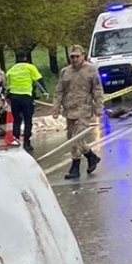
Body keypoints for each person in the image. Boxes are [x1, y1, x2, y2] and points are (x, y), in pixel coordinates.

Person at [52, 45, 104, 180]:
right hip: (69, 110)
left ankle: (75, 167)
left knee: (77, 138)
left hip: (84, 110)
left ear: (83, 56)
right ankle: (92, 157)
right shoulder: (65, 72)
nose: (74, 59)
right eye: (72, 57)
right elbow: (59, 91)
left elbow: (97, 90)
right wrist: (56, 107)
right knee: (71, 138)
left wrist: (99, 107)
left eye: (77, 56)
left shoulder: (91, 70)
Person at [5, 50, 47, 152]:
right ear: (26, 58)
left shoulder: (11, 70)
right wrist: (45, 92)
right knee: (28, 120)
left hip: (14, 98)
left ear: (16, 58)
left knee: (16, 121)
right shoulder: (30, 67)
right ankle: (27, 143)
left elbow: (7, 86)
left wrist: (7, 96)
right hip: (26, 97)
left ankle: (16, 141)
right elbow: (38, 81)